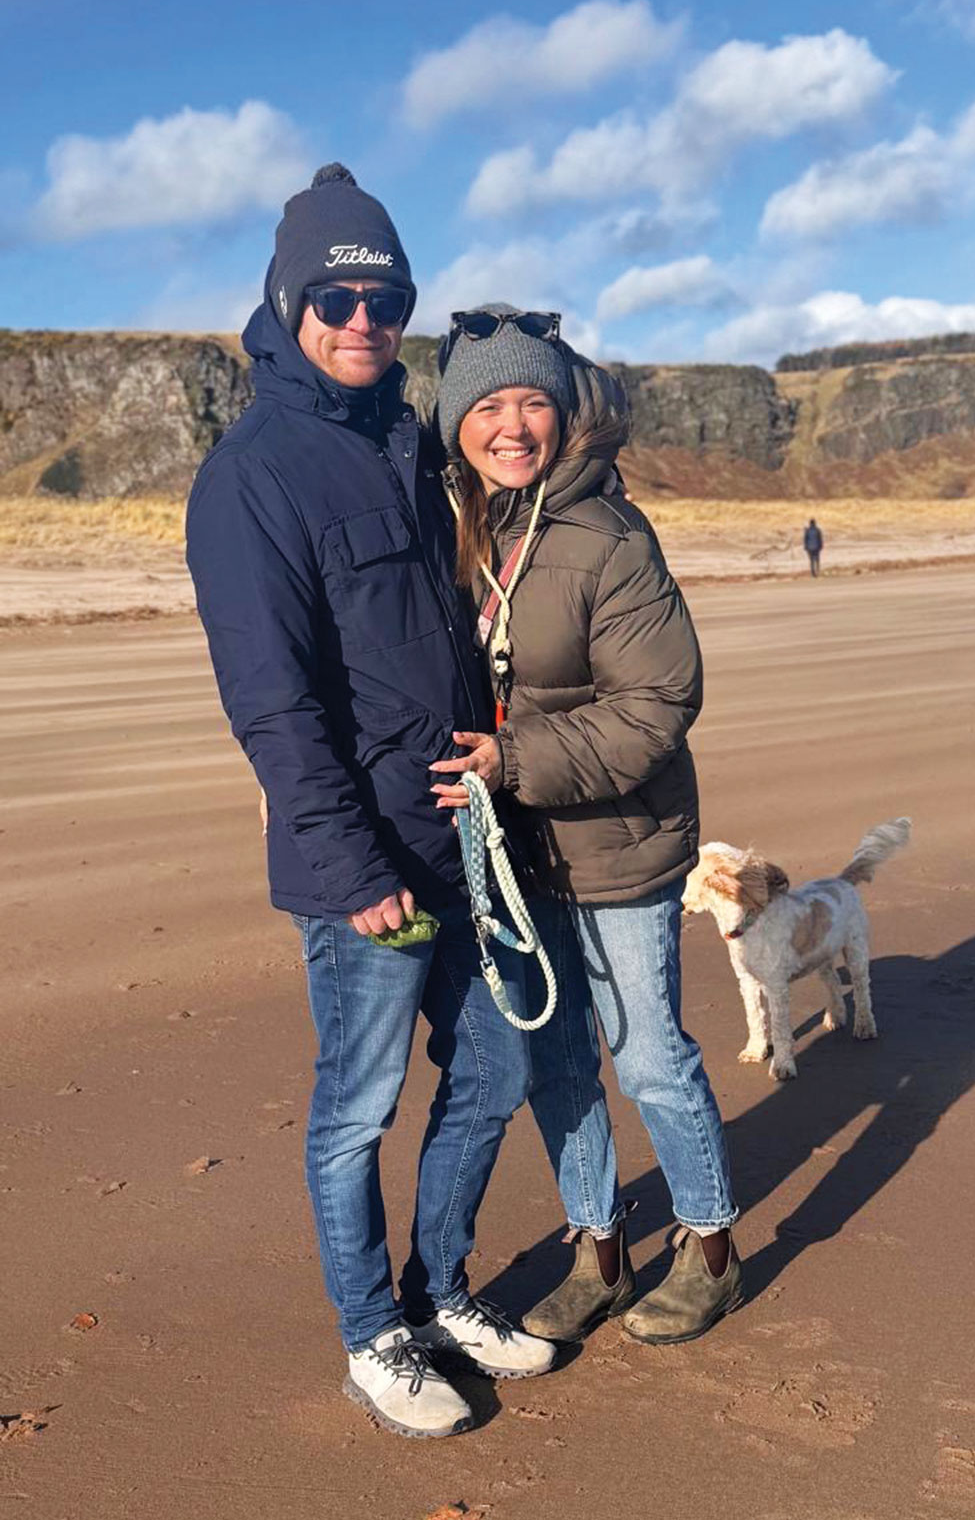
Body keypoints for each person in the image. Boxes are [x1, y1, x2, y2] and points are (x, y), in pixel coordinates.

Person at [186, 171, 553, 1443]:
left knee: (497, 1061)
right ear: (289, 303)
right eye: (337, 296)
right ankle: (371, 1335)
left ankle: (441, 1291)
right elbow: (274, 707)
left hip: (459, 835)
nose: (363, 317)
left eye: (385, 296)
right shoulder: (248, 479)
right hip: (365, 870)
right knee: (358, 1105)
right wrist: (351, 869)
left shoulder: (404, 439)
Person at [428, 304, 742, 1348]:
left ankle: (710, 1252)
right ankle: (598, 1253)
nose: (511, 425)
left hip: (623, 845)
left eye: (532, 402)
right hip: (521, 856)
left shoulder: (609, 535)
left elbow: (659, 703)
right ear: (454, 423)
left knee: (649, 1055)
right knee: (559, 1065)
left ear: (565, 415)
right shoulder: (472, 529)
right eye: (487, 406)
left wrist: (509, 760)